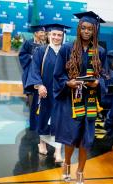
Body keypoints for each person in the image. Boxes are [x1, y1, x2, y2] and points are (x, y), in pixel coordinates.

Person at [53, 11, 107, 184]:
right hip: (72, 100)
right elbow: (58, 75)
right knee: (70, 137)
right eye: (83, 28)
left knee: (86, 139)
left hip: (89, 100)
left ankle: (81, 172)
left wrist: (97, 83)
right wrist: (68, 83)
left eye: (90, 29)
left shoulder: (100, 52)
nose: (86, 31)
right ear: (78, 29)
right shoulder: (67, 49)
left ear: (94, 31)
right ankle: (67, 163)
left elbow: (106, 76)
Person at [27, 24, 70, 162]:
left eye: (59, 35)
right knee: (43, 118)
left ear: (63, 36)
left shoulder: (66, 52)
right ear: (49, 35)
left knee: (60, 121)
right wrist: (39, 85)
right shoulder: (41, 51)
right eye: (54, 35)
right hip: (45, 92)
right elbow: (34, 69)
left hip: (61, 92)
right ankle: (42, 143)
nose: (56, 37)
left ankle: (58, 151)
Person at [19, 25, 47, 131]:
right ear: (36, 33)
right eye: (41, 33)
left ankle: (38, 118)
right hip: (29, 70)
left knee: (38, 98)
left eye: (44, 33)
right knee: (31, 92)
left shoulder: (44, 44)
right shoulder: (28, 42)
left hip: (40, 71)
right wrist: (31, 57)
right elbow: (22, 54)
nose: (43, 34)